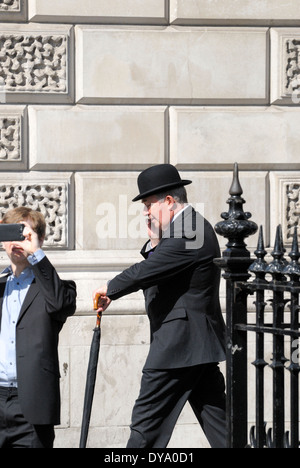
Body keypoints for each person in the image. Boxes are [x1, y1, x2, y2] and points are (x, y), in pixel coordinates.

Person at [93, 164, 227, 448]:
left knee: (146, 426)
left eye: (148, 204)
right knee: (222, 428)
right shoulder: (186, 229)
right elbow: (162, 266)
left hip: (179, 345)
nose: (145, 212)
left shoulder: (191, 230)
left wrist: (111, 288)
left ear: (168, 201)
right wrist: (155, 238)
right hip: (193, 346)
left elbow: (149, 270)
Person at [0, 207, 77, 448]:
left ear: (39, 240)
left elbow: (59, 304)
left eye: (25, 234)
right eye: (12, 233)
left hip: (32, 406)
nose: (17, 242)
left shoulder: (56, 288)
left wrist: (37, 255)